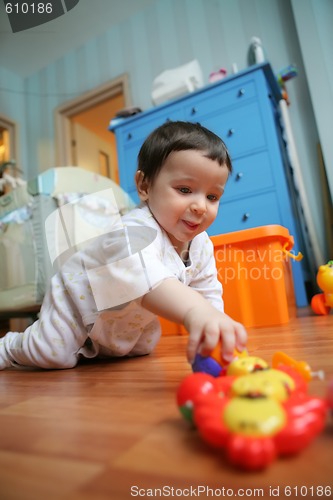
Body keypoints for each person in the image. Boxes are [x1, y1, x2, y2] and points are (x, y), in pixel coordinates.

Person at [0, 121, 247, 370]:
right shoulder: (134, 232)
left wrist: (214, 325)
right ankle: (9, 346)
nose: (201, 206)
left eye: (212, 196)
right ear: (144, 186)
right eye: (185, 189)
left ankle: (92, 350)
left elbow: (208, 291)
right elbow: (149, 282)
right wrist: (196, 311)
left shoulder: (201, 244)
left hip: (121, 317)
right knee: (52, 354)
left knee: (142, 346)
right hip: (75, 303)